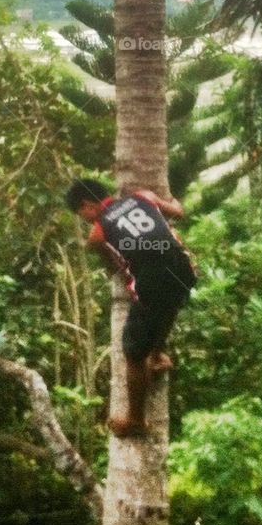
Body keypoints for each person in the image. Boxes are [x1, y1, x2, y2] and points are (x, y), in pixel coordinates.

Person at [66, 177, 197, 437]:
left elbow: (114, 265)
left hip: (152, 284)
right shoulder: (143, 196)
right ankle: (158, 355)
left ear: (86, 205)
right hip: (184, 269)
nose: (85, 220)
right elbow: (178, 211)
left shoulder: (98, 232)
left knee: (133, 354)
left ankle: (136, 421)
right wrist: (169, 203)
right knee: (169, 307)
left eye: (81, 214)